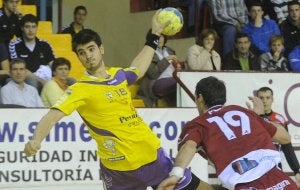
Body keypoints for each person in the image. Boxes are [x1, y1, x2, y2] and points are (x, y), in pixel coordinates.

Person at [23, 10, 211, 190]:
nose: (88, 55)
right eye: (82, 52)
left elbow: (138, 68)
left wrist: (154, 36)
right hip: (118, 172)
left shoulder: (118, 75)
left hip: (152, 157)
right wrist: (36, 139)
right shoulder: (79, 89)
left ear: (101, 49)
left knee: (202, 188)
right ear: (78, 57)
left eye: (91, 49)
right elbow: (52, 116)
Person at [157, 76, 298, 190]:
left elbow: (189, 146)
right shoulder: (243, 112)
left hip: (247, 184)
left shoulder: (198, 123)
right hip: (279, 180)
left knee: (190, 182)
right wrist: (261, 117)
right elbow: (285, 137)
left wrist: (176, 174)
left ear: (199, 98)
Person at [257, 86, 300, 187]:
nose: (264, 101)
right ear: (257, 99)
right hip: (257, 169)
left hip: (276, 167)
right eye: (261, 98)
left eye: (268, 98)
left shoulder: (280, 119)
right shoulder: (251, 118)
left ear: (272, 99)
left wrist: (296, 170)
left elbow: (287, 146)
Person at [9, 14, 55, 92]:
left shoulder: (45, 44)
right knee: (32, 82)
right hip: (28, 79)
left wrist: (56, 80)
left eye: (33, 27)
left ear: (37, 28)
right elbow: (20, 69)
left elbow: (54, 65)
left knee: (70, 81)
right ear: (22, 28)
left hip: (47, 78)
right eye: (27, 27)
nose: (31, 30)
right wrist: (42, 81)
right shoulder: (15, 45)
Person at [138, 29, 181, 107]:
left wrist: (178, 68)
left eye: (161, 37)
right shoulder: (148, 52)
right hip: (155, 83)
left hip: (172, 79)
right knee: (179, 81)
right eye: (156, 37)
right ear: (151, 39)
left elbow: (175, 67)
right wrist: (166, 59)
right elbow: (153, 74)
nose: (159, 39)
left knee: (182, 81)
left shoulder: (170, 51)